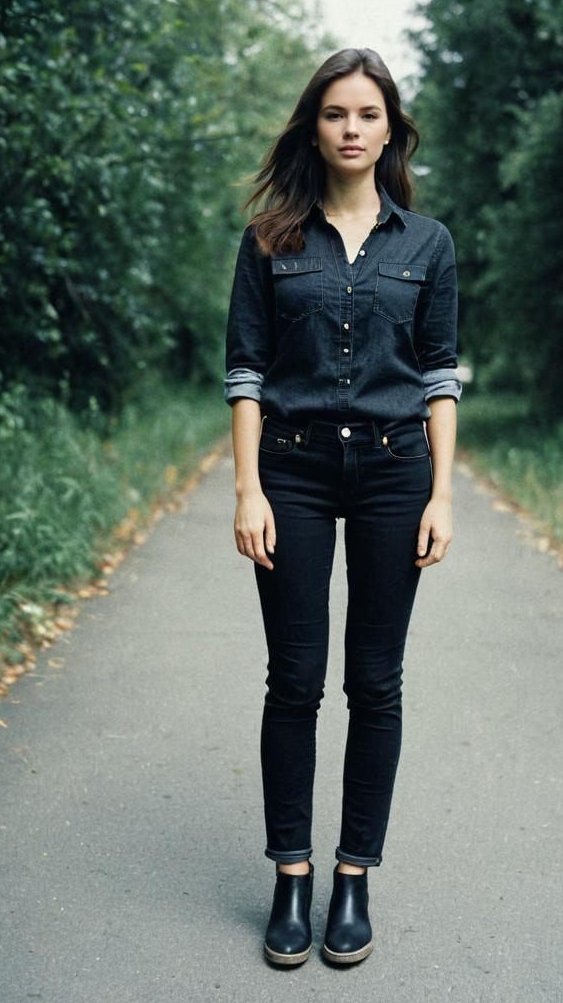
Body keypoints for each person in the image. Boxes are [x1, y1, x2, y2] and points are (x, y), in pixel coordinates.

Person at [223, 47, 462, 967]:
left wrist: (442, 494)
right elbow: (246, 372)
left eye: (368, 114)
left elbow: (439, 377)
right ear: (314, 128)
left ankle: (353, 876)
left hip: (397, 472)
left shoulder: (428, 244)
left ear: (390, 129)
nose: (352, 128)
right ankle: (292, 875)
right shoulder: (270, 238)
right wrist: (248, 488)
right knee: (295, 678)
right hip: (291, 470)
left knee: (376, 681)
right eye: (335, 113)